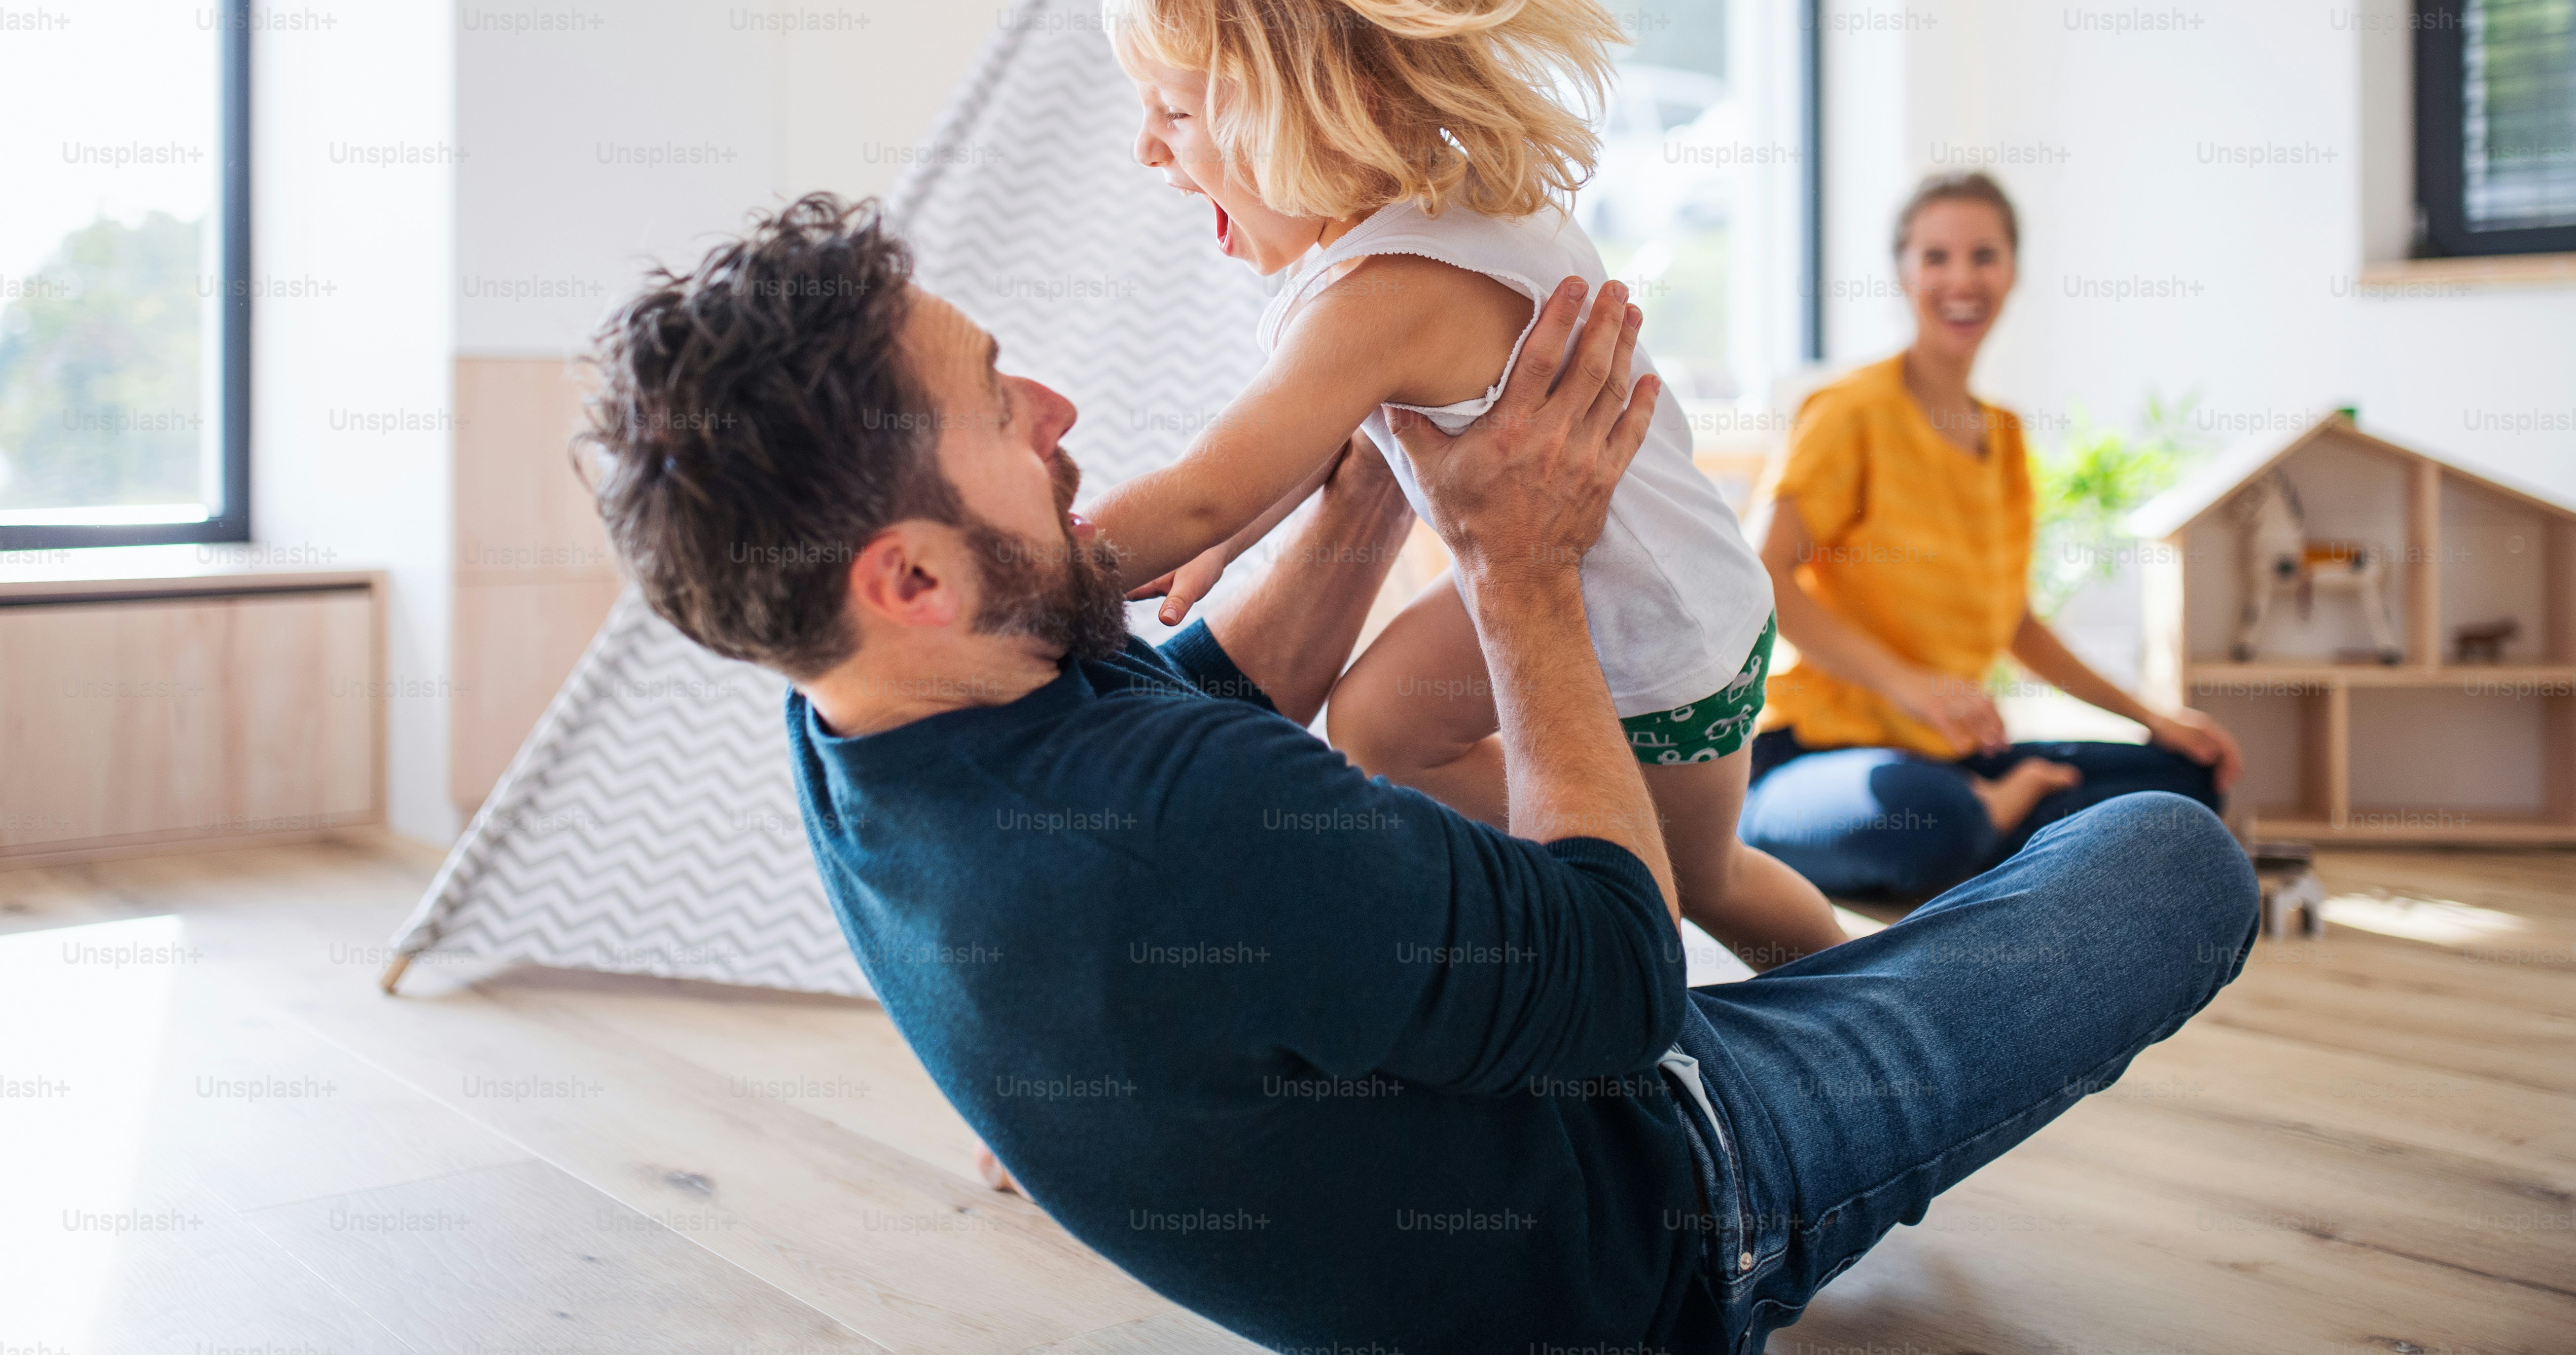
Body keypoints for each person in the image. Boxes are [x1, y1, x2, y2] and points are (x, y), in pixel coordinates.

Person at [578, 193, 2257, 1355]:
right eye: (1000, 408)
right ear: (910, 577)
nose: (1059, 407)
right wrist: (1517, 572)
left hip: (1495, 1096)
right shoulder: (1184, 838)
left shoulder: (865, 714)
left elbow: (1212, 683)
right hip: (1660, 1212)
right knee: (2173, 858)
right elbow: (1615, 972)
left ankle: (1888, 1002)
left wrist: (1374, 446)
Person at [1081, 0, 1842, 968]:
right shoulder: (1431, 210)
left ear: (1327, 108)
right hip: (1600, 583)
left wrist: (1037, 573)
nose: (1147, 146)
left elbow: (1207, 482)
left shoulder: (1386, 292)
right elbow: (1298, 445)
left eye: (1175, 110)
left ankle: (1842, 989)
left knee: (1700, 882)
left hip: (1657, 637)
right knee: (1381, 727)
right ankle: (1564, 866)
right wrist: (1224, 541)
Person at [1739, 171, 2247, 900]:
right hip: (1813, 758)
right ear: (1904, 273)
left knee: (2184, 781)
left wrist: (2153, 718)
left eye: (1984, 256)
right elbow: (1763, 576)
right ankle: (1999, 819)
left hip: (1953, 755)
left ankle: (2002, 815)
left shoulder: (2004, 438)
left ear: (2012, 272)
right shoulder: (1849, 412)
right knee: (1928, 819)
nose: (1961, 280)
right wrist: (1910, 686)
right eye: (1936, 257)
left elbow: (2016, 625)